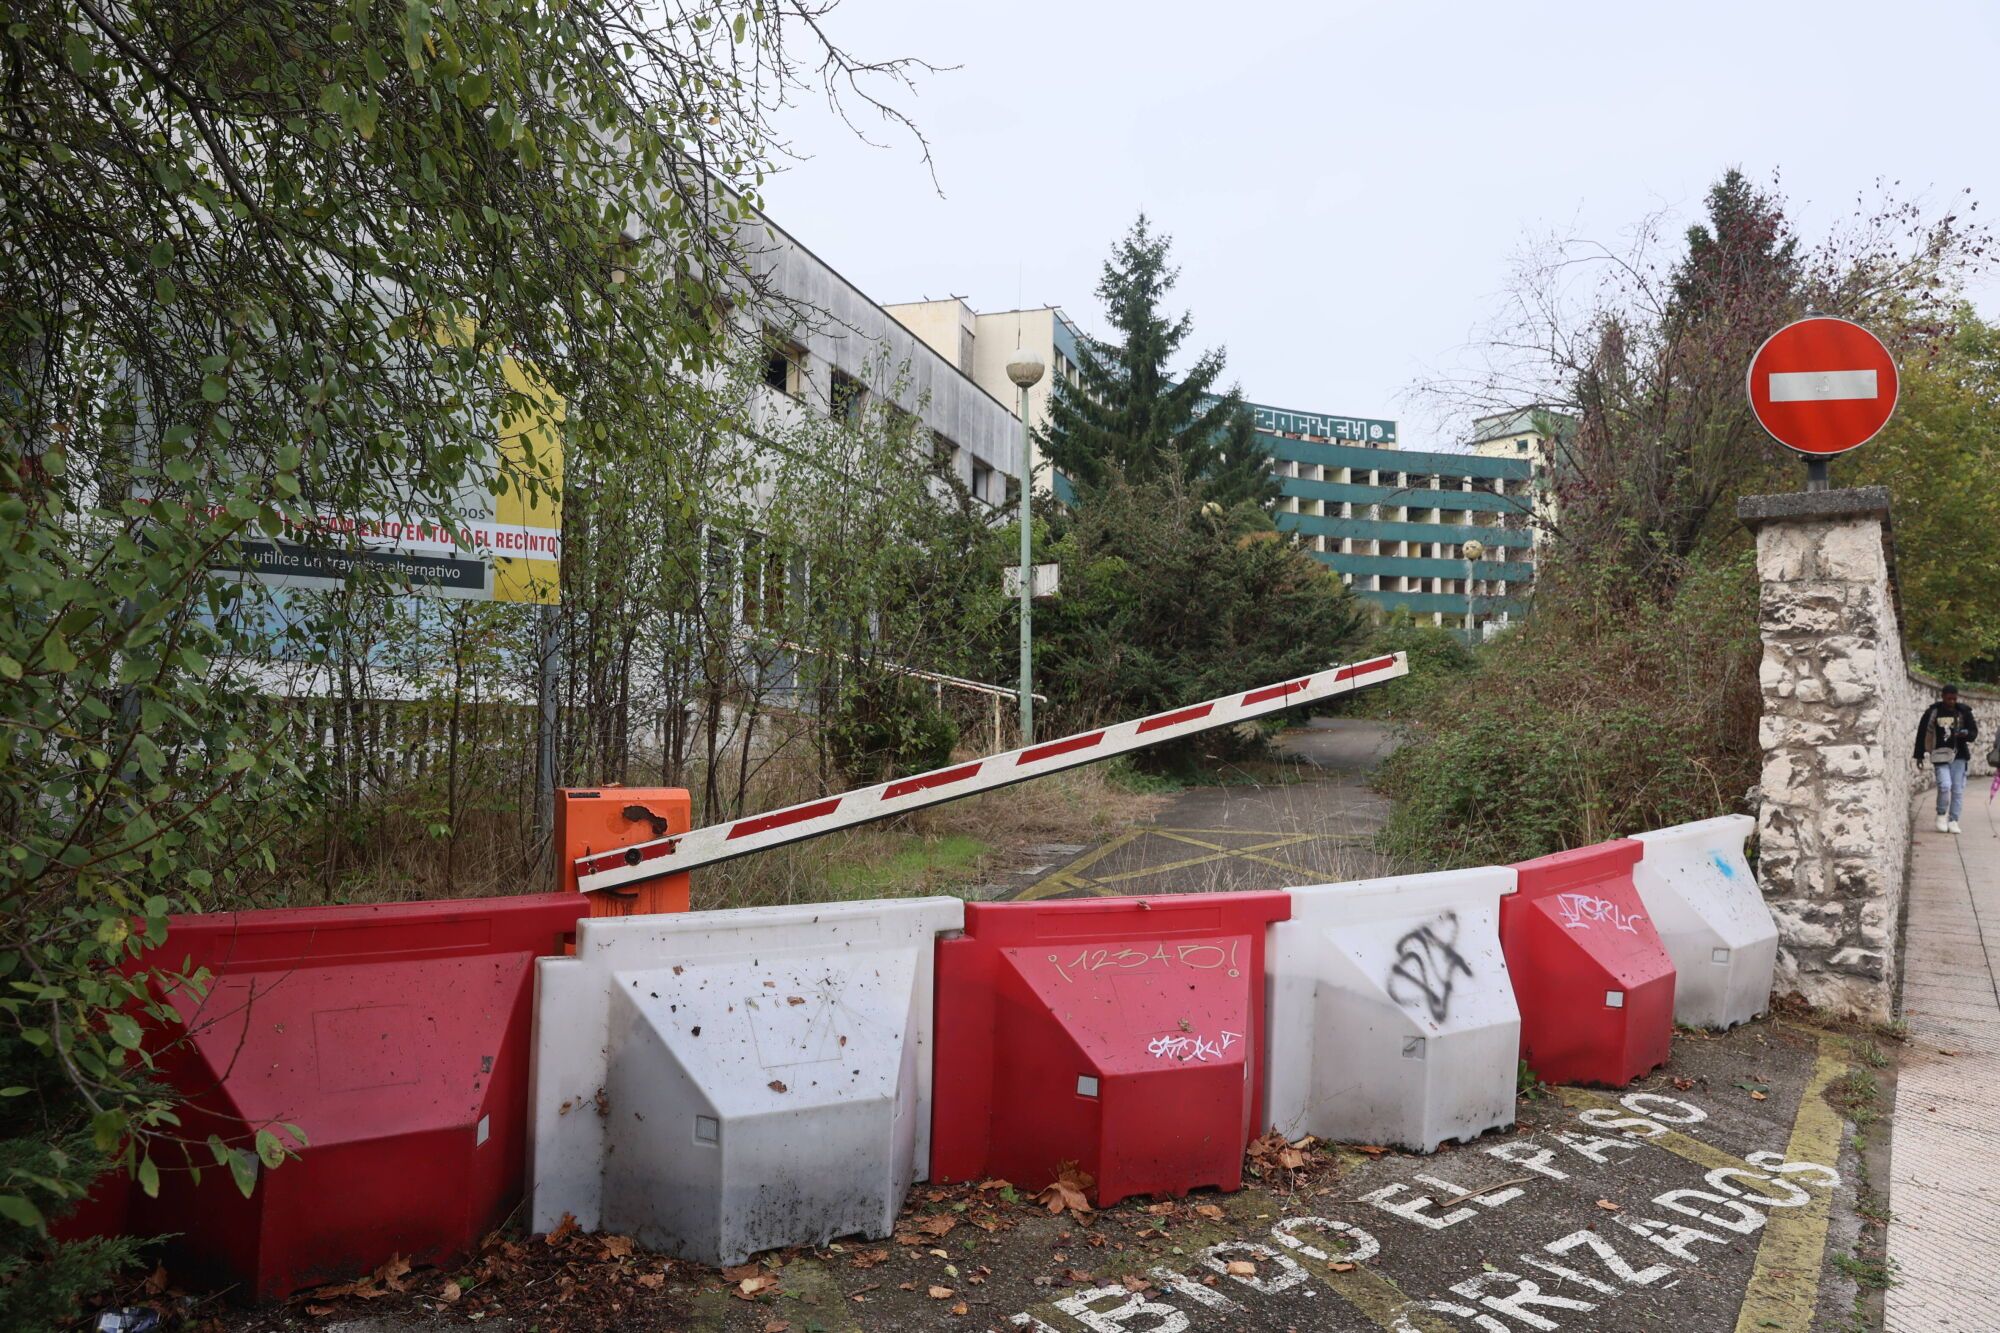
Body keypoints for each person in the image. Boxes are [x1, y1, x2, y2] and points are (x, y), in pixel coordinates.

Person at [1914, 684, 1979, 835]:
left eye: (1954, 699)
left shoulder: (1964, 711)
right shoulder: (1933, 712)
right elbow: (1922, 733)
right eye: (1949, 699)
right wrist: (1919, 755)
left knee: (1957, 790)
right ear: (1942, 696)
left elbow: (1973, 733)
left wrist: (1965, 734)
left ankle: (1953, 820)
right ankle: (1941, 814)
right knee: (1944, 786)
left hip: (1959, 756)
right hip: (1940, 755)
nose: (1952, 702)